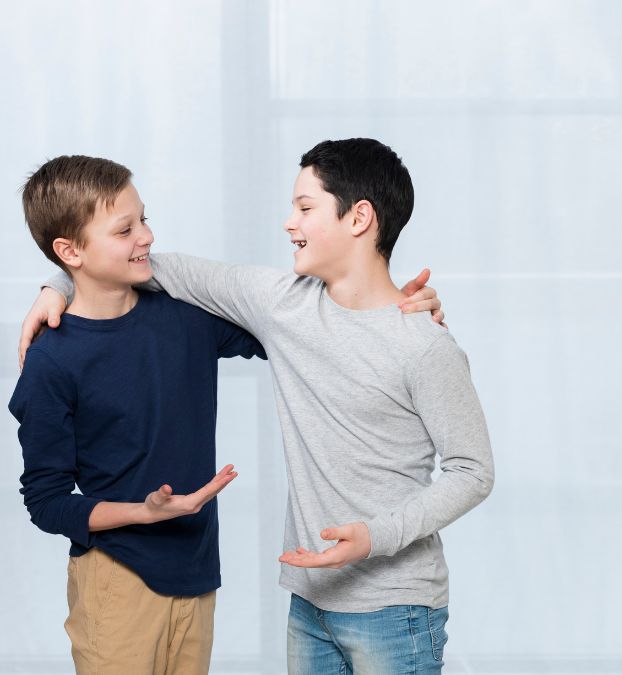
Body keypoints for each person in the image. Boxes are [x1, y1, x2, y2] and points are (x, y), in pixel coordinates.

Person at [20, 138, 492, 675]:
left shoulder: (409, 340)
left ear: (359, 217)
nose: (288, 222)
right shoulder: (280, 305)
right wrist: (55, 284)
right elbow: (125, 267)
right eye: (128, 228)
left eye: (305, 207)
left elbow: (471, 470)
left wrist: (375, 536)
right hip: (288, 596)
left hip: (375, 599)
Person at [11, 154, 263, 674]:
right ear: (70, 251)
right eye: (125, 229)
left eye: (144, 219)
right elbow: (47, 502)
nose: (146, 237)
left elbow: (292, 327)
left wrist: (394, 307)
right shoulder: (51, 361)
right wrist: (142, 513)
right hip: (116, 580)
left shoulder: (189, 319)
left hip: (198, 574)